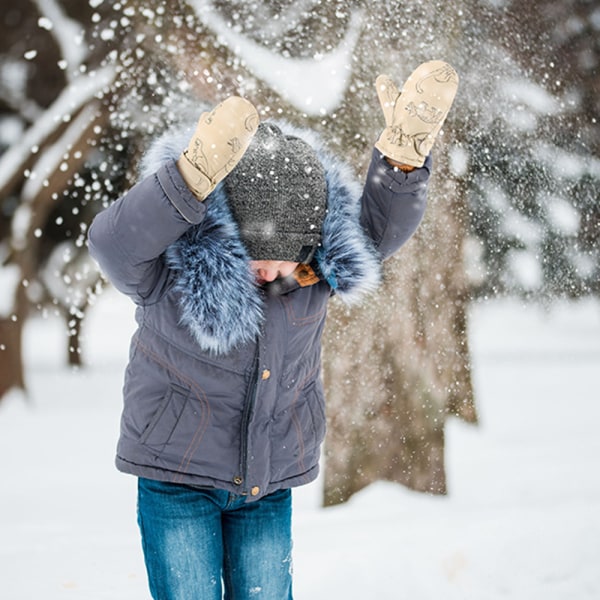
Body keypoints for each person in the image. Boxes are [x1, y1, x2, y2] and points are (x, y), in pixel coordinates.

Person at [87, 60, 458, 600]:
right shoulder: (169, 267)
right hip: (177, 480)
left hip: (267, 480)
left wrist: (401, 165)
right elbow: (110, 241)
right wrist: (184, 184)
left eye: (284, 257)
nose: (270, 273)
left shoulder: (314, 271)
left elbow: (376, 232)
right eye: (255, 256)